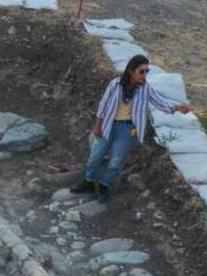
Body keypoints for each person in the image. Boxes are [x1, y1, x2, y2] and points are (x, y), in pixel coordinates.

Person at [70, 54, 192, 203]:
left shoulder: (145, 88)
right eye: (141, 71)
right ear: (131, 71)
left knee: (116, 160)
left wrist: (177, 108)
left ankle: (104, 186)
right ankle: (88, 182)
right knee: (96, 154)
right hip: (109, 125)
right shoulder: (115, 85)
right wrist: (97, 125)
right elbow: (103, 105)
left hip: (127, 130)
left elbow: (159, 101)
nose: (145, 75)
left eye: (147, 71)